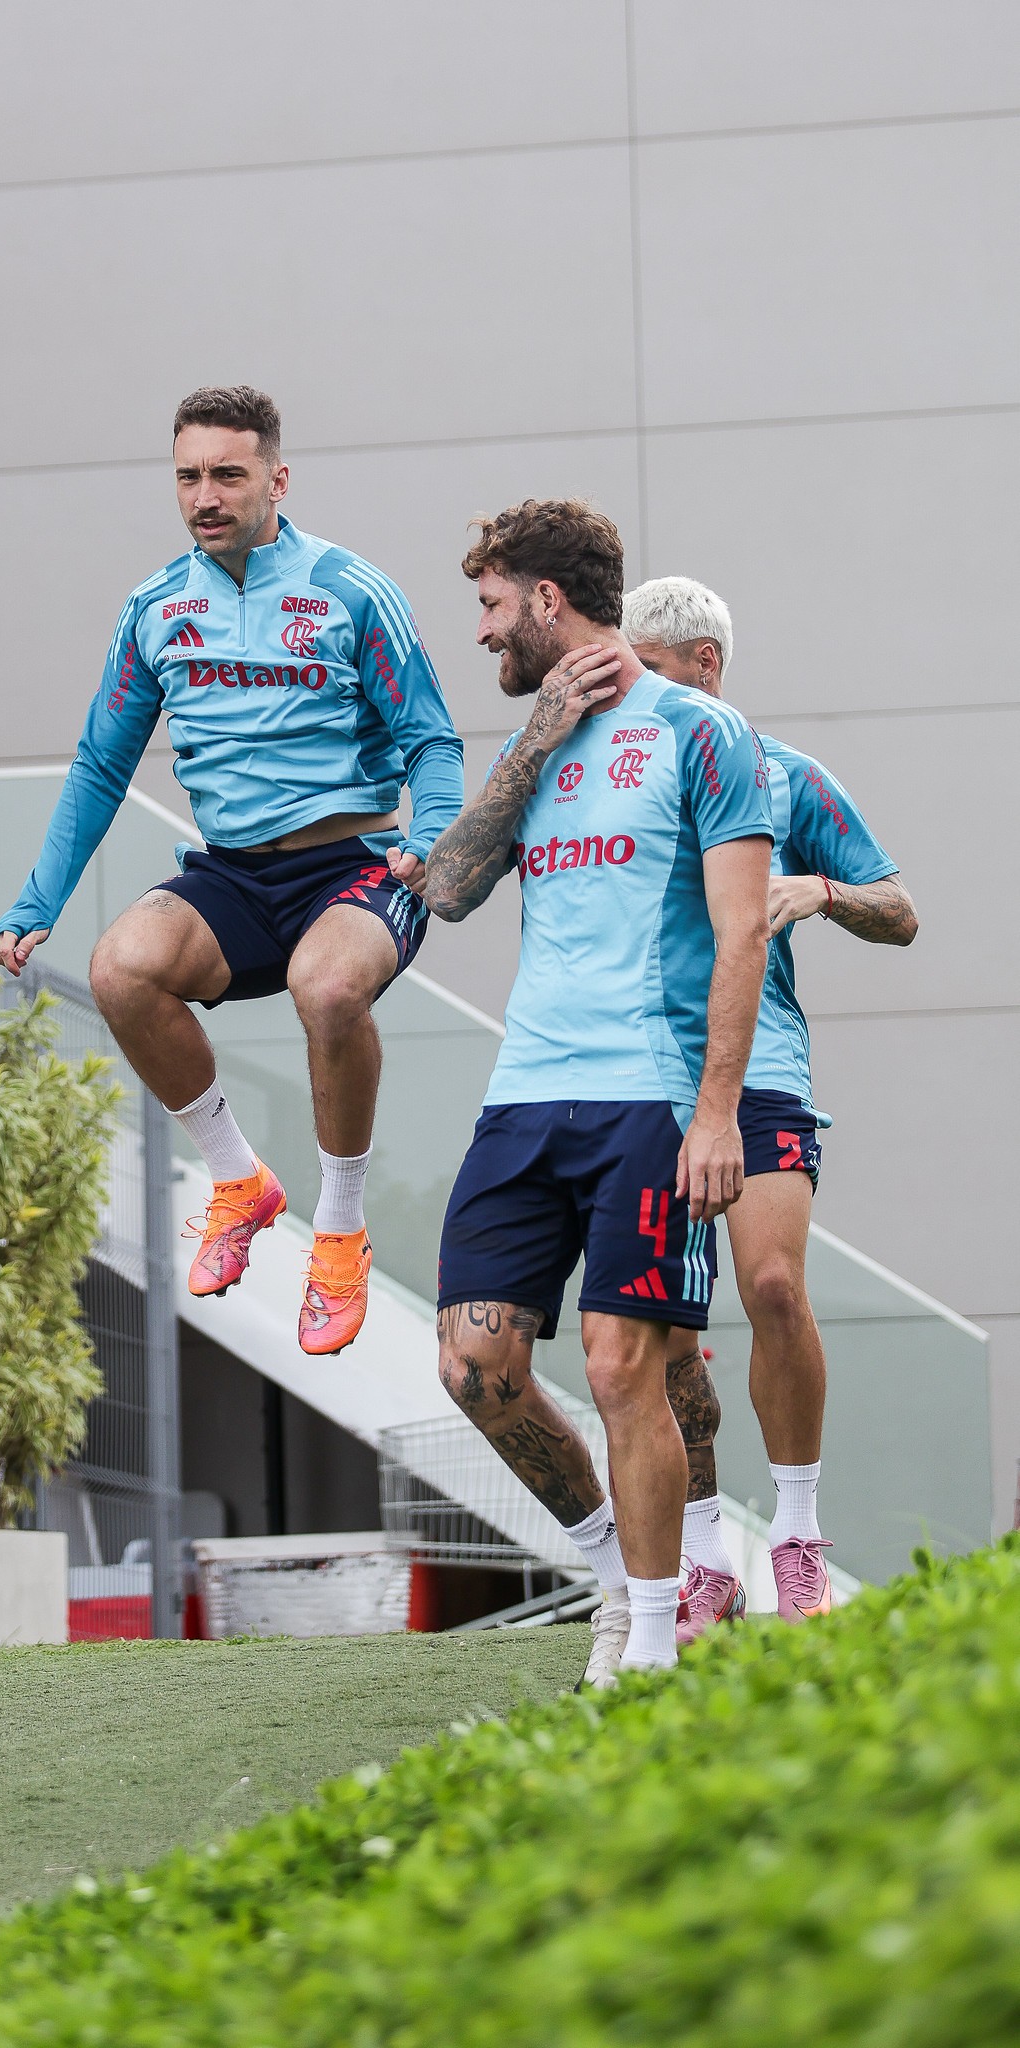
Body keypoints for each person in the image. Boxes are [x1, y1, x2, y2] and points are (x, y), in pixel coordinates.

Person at [0, 386, 463, 1355]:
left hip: (355, 865)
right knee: (120, 968)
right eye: (188, 476)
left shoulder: (352, 591)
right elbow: (100, 765)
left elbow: (432, 739)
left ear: (277, 479)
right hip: (232, 877)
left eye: (228, 473)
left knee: (326, 988)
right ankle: (238, 1178)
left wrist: (440, 834)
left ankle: (338, 1227)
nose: (205, 495)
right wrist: (39, 899)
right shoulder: (156, 607)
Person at [423, 500, 772, 1686]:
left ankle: (659, 1640)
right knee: (474, 1366)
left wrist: (721, 1112)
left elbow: (742, 936)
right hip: (525, 1093)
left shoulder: (704, 734)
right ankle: (612, 1570)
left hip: (653, 1097)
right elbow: (451, 887)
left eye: (489, 603)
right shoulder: (539, 739)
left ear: (547, 601)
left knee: (629, 1366)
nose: (481, 631)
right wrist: (536, 736)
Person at [622, 576, 918, 1638]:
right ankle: (704, 1554)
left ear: (706, 664)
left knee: (775, 1283)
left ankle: (796, 1537)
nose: (639, 696)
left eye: (654, 671)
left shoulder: (790, 778)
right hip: (634, 1072)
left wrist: (821, 893)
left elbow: (903, 908)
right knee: (658, 1332)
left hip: (760, 1069)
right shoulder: (614, 776)